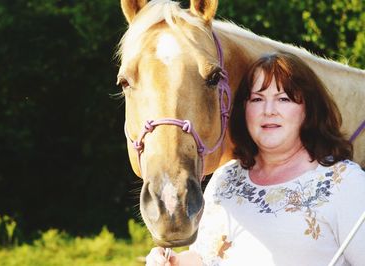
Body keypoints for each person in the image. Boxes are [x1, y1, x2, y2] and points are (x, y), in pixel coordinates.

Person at [145, 51, 365, 266]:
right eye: (257, 99)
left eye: (284, 99)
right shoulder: (225, 176)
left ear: (308, 109)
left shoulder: (346, 183)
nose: (269, 110)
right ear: (244, 109)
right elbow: (206, 256)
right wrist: (176, 262)